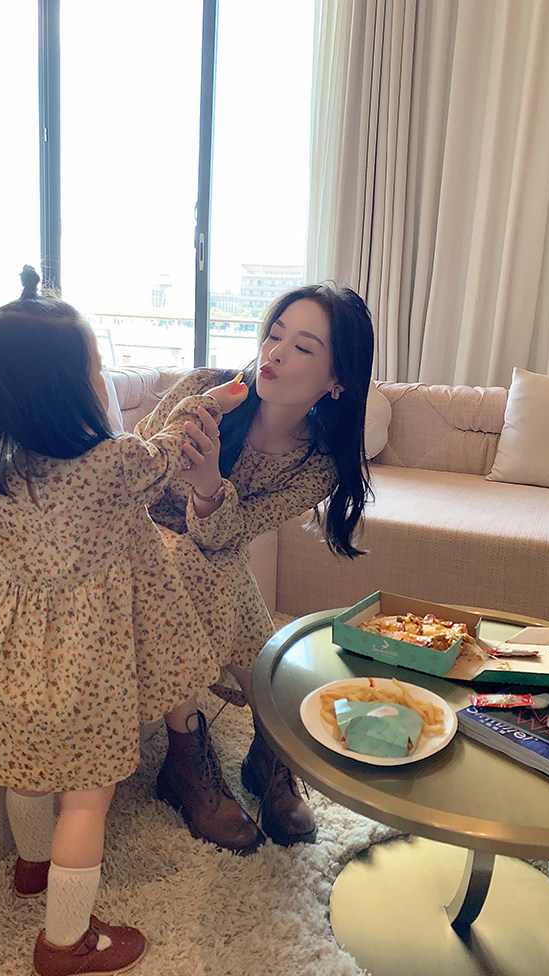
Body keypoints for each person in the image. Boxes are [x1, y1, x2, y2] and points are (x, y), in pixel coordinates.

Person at [0, 266, 250, 976]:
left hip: (12, 663)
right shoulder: (112, 465)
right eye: (95, 368)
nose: (104, 380)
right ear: (67, 390)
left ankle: (32, 869)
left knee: (27, 777)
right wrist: (208, 404)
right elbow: (170, 450)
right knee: (85, 803)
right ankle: (66, 942)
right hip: (89, 672)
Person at [136, 283, 375, 851]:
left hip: (210, 550)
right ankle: (191, 758)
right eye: (274, 335)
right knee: (193, 560)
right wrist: (195, 427)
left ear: (337, 381)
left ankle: (265, 752)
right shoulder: (204, 390)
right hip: (136, 534)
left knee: (212, 559)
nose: (275, 353)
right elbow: (130, 475)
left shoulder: (316, 464)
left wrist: (208, 486)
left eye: (303, 347)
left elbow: (227, 535)